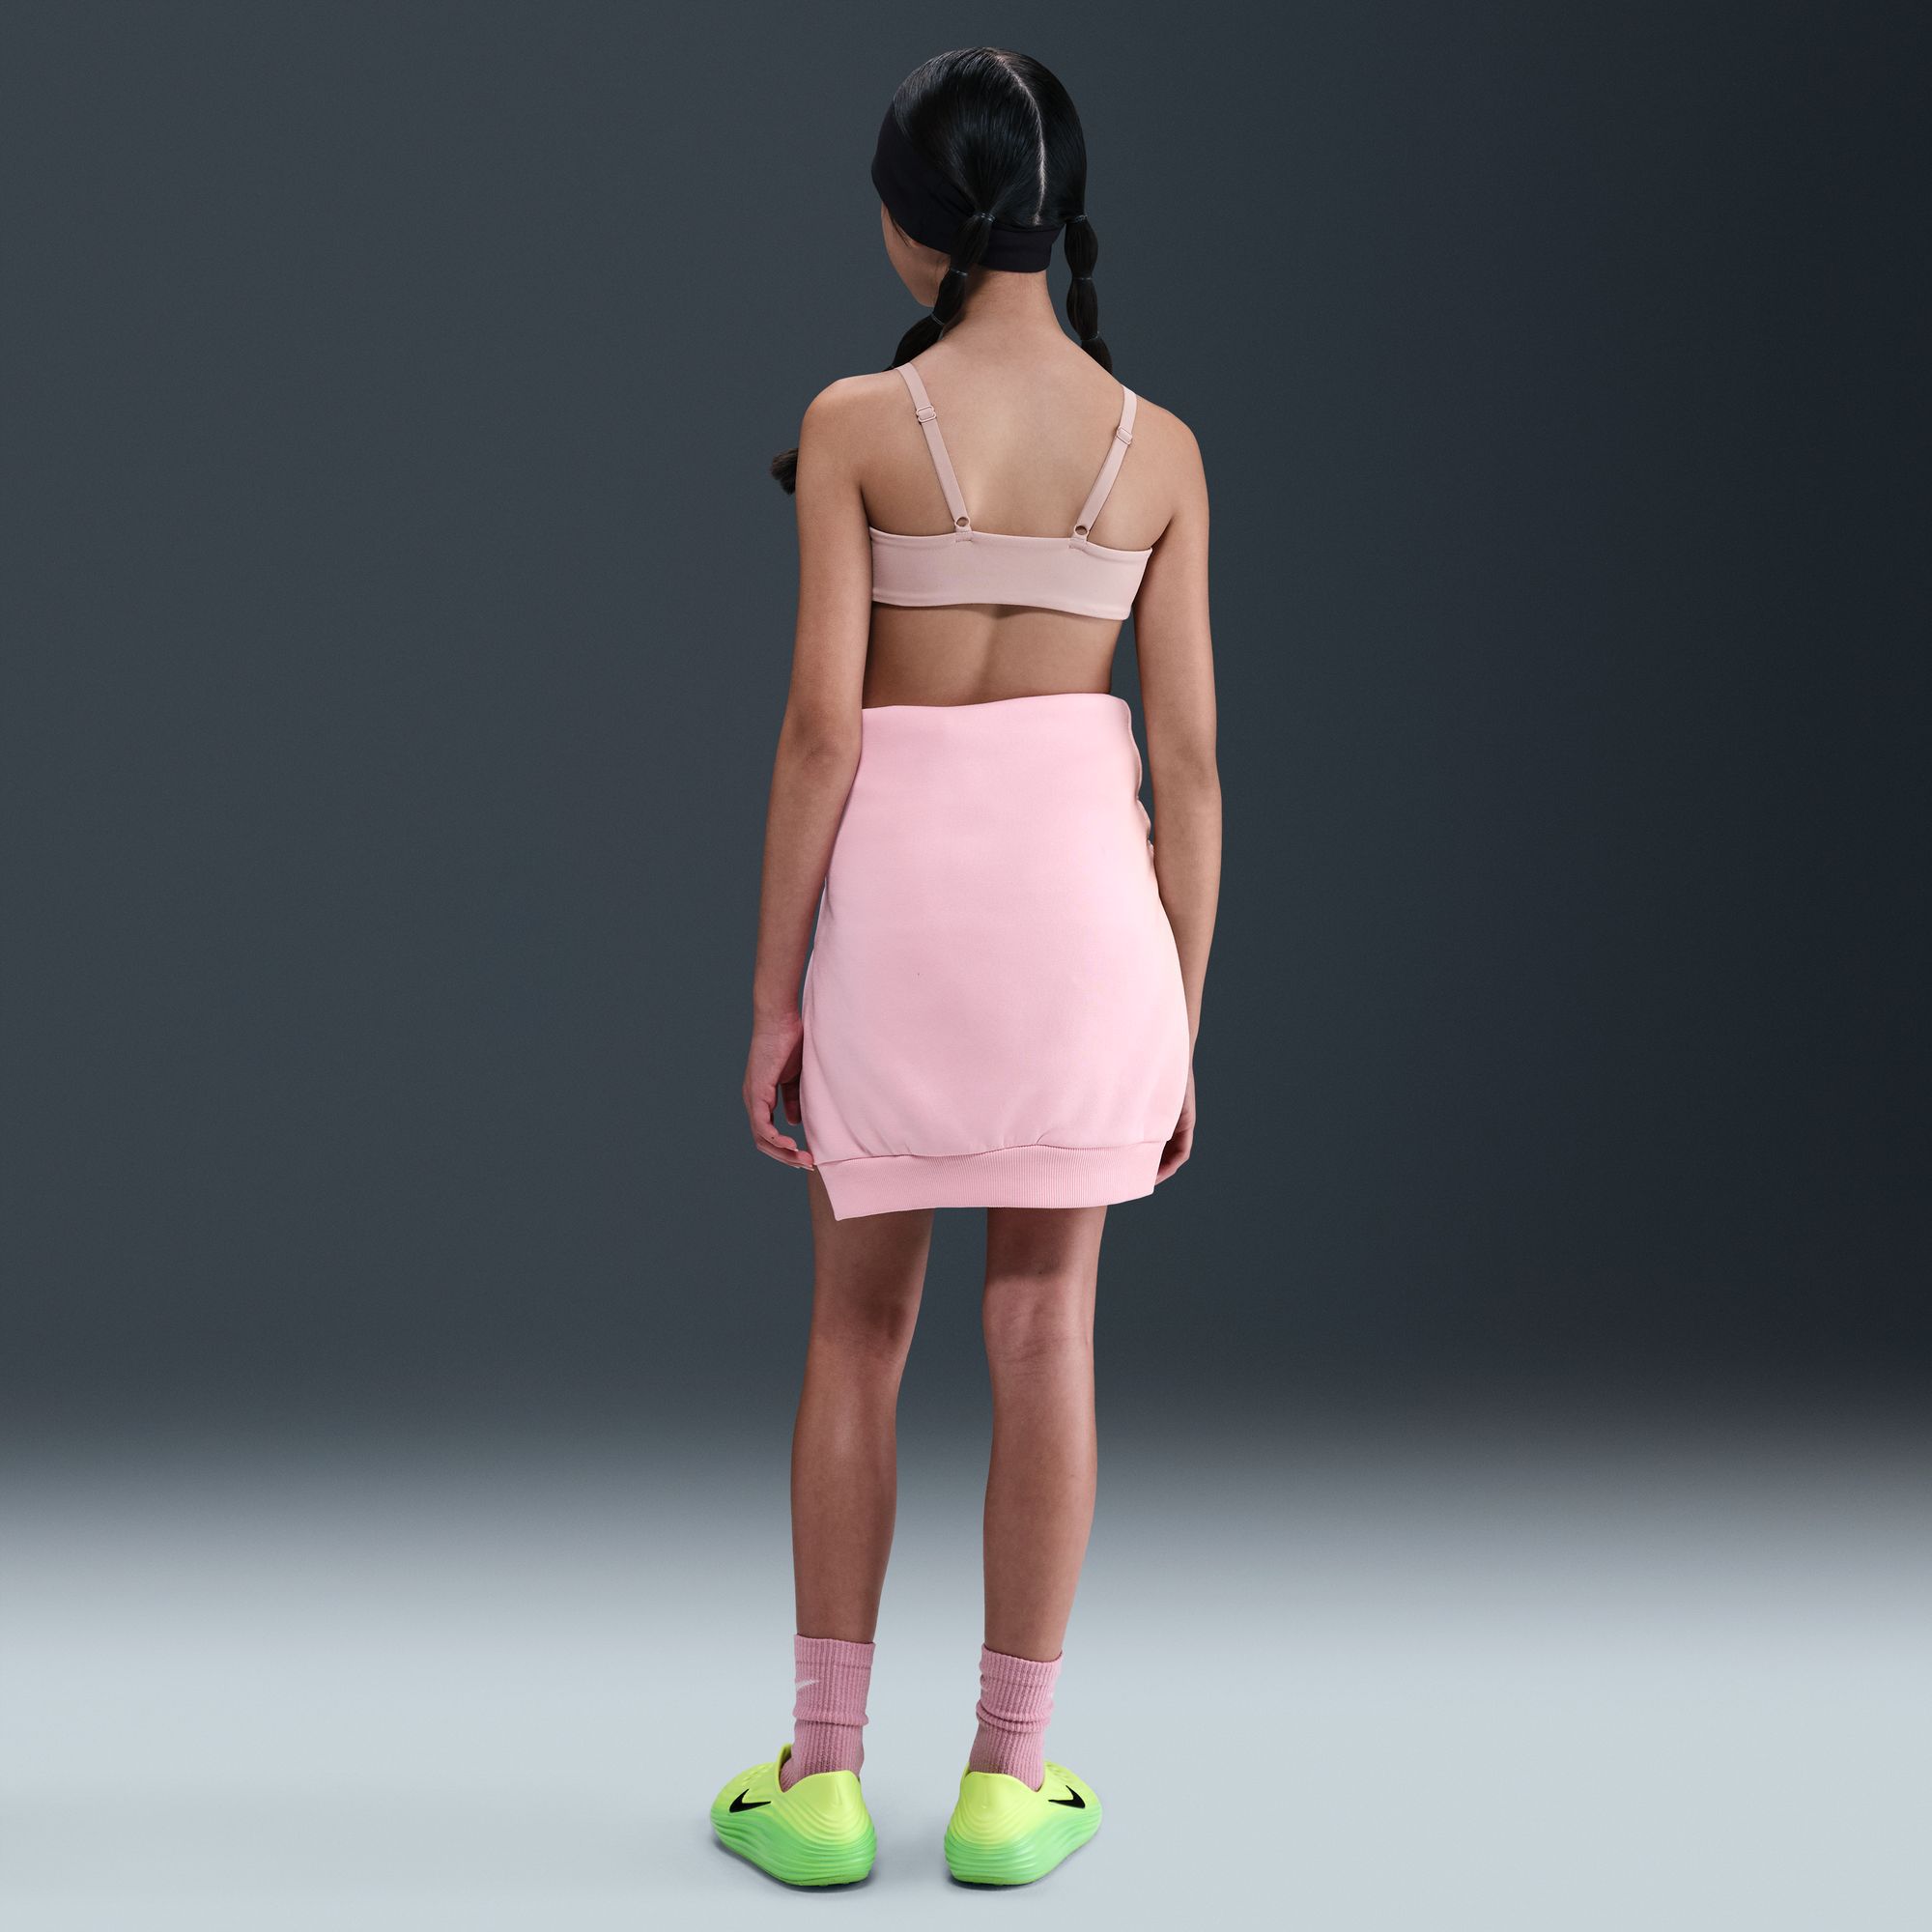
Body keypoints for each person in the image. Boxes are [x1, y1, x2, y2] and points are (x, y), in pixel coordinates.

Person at [714, 47, 1220, 1889]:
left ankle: (824, 1781)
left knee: (858, 1333)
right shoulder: (1158, 449)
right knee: (1045, 1332)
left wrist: (774, 998)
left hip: (905, 925)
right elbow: (1193, 767)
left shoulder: (857, 422)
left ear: (911, 219)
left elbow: (819, 739)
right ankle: (1009, 1785)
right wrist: (1178, 1020)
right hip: (1089, 931)